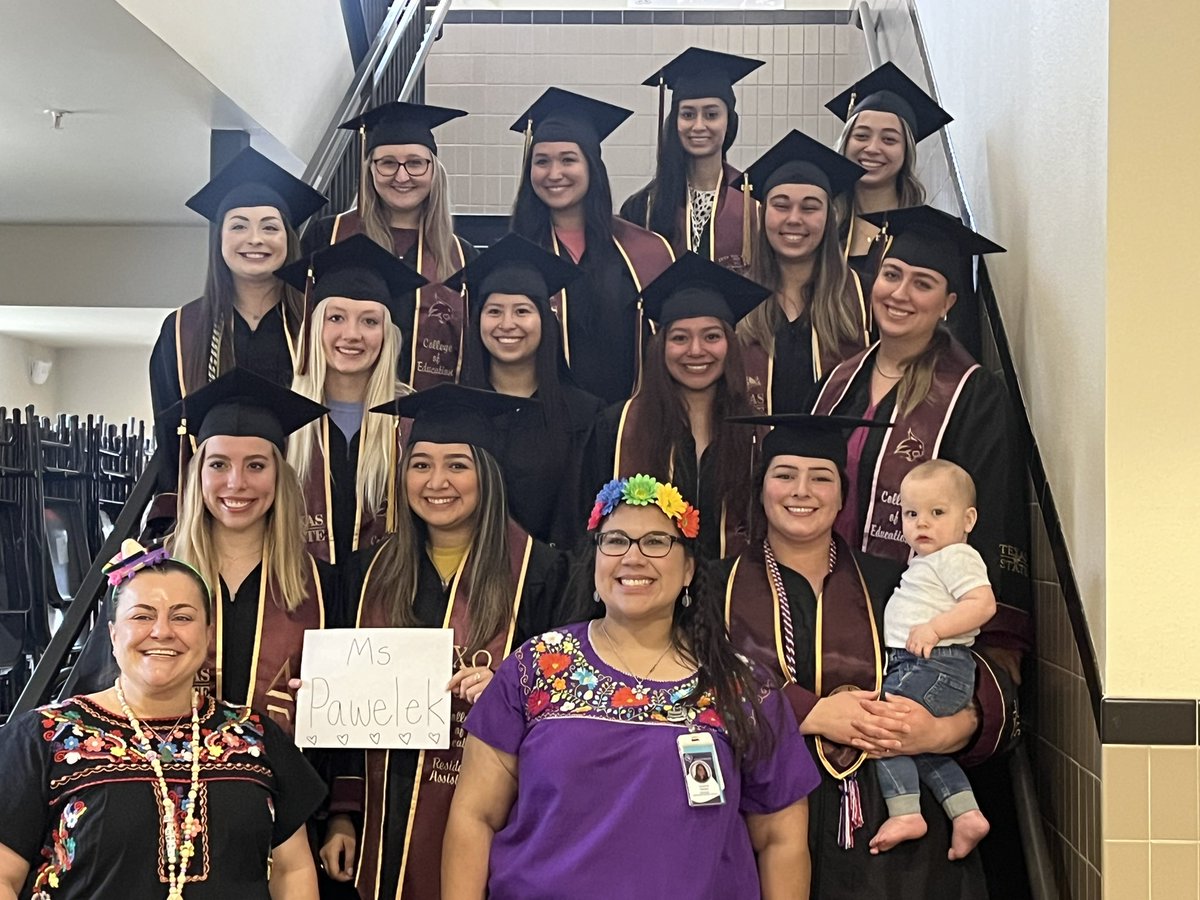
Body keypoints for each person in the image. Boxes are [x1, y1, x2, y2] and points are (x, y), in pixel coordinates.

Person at [444, 475, 820, 900]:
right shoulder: (535, 667)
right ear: (596, 561)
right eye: (616, 540)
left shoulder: (739, 684)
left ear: (689, 570)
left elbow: (780, 841)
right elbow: (475, 817)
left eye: (656, 542)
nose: (633, 557)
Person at [721, 414, 1018, 898]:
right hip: (766, 809)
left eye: (821, 477)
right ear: (761, 488)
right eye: (784, 475)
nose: (802, 491)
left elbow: (974, 671)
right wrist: (810, 713)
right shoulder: (717, 586)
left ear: (843, 495)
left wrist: (942, 730)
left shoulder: (896, 580)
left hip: (890, 819)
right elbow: (694, 682)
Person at [318, 384, 567, 900]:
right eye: (421, 464)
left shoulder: (541, 573)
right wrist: (342, 814)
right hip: (376, 830)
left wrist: (510, 692)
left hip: (493, 819)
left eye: (457, 465)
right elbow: (345, 721)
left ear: (488, 475)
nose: (437, 482)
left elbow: (568, 707)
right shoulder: (365, 575)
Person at [0, 540, 326, 899]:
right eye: (141, 616)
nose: (162, 631)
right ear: (113, 635)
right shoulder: (44, 738)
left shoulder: (257, 737)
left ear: (207, 635)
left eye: (182, 617)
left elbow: (291, 870)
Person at [809, 206, 1029, 660]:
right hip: (830, 600)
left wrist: (998, 643)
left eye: (923, 283)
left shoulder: (973, 393)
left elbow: (987, 517)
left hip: (921, 622)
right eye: (892, 274)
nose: (900, 293)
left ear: (949, 303)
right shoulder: (839, 382)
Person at [150, 147, 328, 457]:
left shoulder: (321, 321)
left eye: (270, 227)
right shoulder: (182, 330)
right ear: (220, 239)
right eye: (239, 226)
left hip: (307, 492)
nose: (255, 238)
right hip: (217, 495)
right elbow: (169, 434)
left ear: (289, 239)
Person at [509, 87, 676, 404]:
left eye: (568, 160)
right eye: (542, 161)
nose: (554, 173)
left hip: (627, 427)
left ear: (591, 167)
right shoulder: (517, 256)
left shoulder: (645, 252)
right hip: (545, 427)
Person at [605, 252, 768, 559]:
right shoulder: (617, 428)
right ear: (661, 347)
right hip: (645, 595)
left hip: (735, 595)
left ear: (729, 345)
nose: (696, 350)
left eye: (711, 336)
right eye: (680, 338)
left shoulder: (757, 435)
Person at [870, 460, 995, 859]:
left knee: (878, 724)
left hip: (938, 663)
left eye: (937, 513)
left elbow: (983, 604)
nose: (922, 523)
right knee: (921, 747)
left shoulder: (957, 556)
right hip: (923, 663)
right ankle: (966, 813)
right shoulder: (929, 559)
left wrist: (936, 628)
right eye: (911, 513)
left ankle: (906, 811)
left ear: (968, 519)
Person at [303, 102, 477, 389]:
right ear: (370, 169)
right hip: (341, 413)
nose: (401, 176)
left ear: (434, 170)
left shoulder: (462, 257)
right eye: (387, 163)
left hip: (429, 422)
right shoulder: (327, 237)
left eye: (415, 163)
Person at [278, 234, 428, 565]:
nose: (352, 334)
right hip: (297, 599)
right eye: (336, 318)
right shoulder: (282, 421)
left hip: (389, 599)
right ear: (315, 328)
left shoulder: (411, 422)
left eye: (370, 321)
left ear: (387, 335)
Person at [455, 232, 605, 549]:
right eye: (494, 311)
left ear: (544, 321)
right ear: (477, 320)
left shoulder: (584, 416)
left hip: (557, 584)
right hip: (468, 583)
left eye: (522, 311)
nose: (507, 324)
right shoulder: (456, 410)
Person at [734, 130, 871, 413]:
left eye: (810, 208)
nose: (794, 219)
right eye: (781, 206)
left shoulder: (865, 297)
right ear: (763, 213)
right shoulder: (734, 299)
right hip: (750, 455)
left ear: (829, 218)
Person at [620, 48, 764, 274]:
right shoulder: (643, 207)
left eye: (711, 114)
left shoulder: (754, 203)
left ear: (729, 122)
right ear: (675, 121)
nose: (698, 126)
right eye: (687, 114)